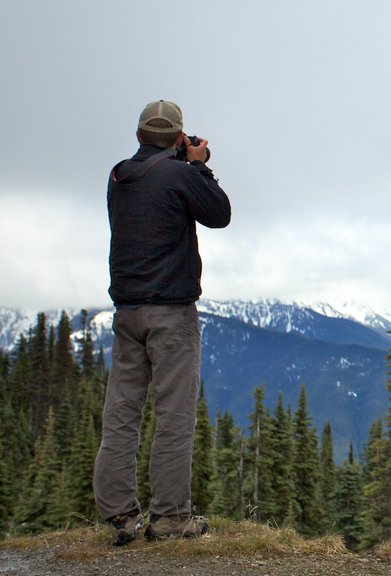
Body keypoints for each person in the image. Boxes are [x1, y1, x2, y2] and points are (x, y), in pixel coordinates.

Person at [94, 100, 231, 545]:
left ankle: (119, 515)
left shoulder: (118, 176)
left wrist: (180, 160)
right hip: (171, 311)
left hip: (127, 311)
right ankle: (170, 517)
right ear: (178, 137)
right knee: (173, 414)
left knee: (122, 411)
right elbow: (219, 214)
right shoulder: (180, 174)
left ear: (137, 137)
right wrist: (199, 166)